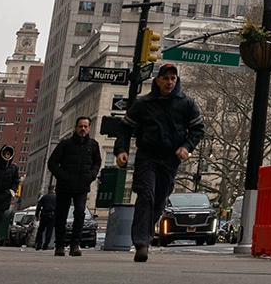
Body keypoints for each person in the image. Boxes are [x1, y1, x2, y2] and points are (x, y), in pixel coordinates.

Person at [115, 63, 204, 263]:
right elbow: (125, 129)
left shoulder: (186, 104)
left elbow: (198, 129)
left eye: (173, 78)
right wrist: (121, 150)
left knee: (160, 199)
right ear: (157, 81)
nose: (169, 82)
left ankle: (144, 233)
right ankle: (141, 243)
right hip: (147, 156)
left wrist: (187, 147)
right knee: (146, 195)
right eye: (165, 78)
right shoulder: (143, 103)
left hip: (170, 159)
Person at [47, 116, 102, 256]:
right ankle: (59, 245)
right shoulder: (65, 144)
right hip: (65, 185)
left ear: (89, 128)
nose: (82, 129)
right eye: (80, 126)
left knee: (80, 213)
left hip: (82, 185)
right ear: (75, 127)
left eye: (85, 126)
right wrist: (63, 176)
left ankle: (75, 245)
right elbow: (52, 163)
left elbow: (97, 162)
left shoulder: (93, 145)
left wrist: (92, 175)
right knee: (61, 215)